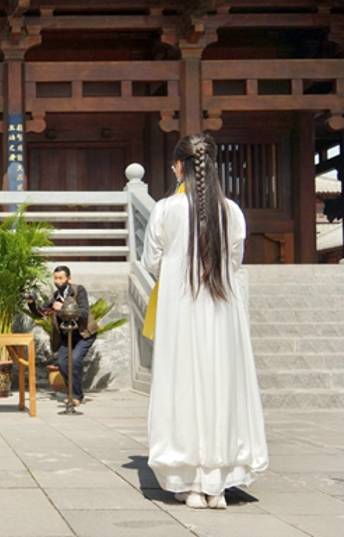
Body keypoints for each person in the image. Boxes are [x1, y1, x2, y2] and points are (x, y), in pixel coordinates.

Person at [143, 133, 268, 510]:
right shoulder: (232, 211)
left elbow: (152, 261)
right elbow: (234, 260)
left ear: (178, 168)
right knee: (221, 388)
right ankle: (217, 483)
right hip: (221, 312)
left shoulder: (166, 209)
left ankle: (190, 482)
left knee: (183, 387)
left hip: (181, 313)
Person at [28, 265, 96, 406]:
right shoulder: (55, 296)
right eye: (55, 278)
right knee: (62, 363)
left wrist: (63, 306)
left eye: (61, 278)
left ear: (68, 279)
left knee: (75, 360)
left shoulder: (78, 290)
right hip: (67, 337)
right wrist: (31, 303)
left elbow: (83, 313)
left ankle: (76, 396)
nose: (58, 281)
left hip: (84, 334)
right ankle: (73, 392)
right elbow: (41, 313)